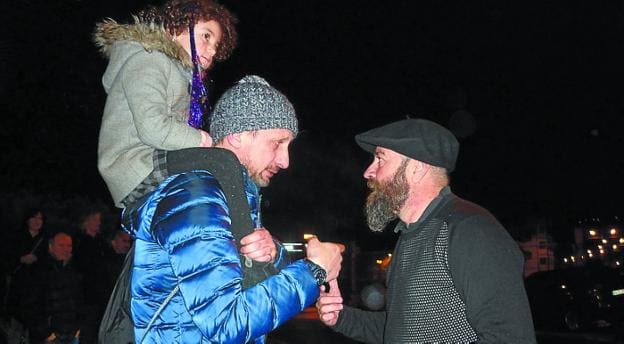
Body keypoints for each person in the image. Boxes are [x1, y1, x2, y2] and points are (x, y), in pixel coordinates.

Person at [123, 75, 344, 343]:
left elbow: (244, 286)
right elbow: (226, 323)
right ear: (238, 135)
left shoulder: (230, 196)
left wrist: (273, 254)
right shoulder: (197, 196)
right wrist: (314, 271)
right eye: (277, 143)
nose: (285, 161)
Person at [316, 118, 536, 343]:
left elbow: (510, 338)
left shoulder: (470, 230)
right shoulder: (412, 235)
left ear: (416, 169)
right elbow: (402, 330)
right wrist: (341, 318)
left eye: (380, 159)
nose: (369, 172)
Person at [93, 0, 238, 208]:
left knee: (215, 180)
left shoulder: (177, 73)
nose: (212, 51)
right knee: (223, 162)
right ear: (175, 28)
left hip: (152, 163)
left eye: (216, 46)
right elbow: (152, 128)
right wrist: (203, 139)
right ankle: (246, 237)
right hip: (137, 166)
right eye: (206, 36)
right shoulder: (149, 60)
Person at [17, 232, 84, 344]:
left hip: (71, 334)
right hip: (50, 335)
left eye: (69, 246)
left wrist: (78, 328)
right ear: (51, 247)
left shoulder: (73, 271)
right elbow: (29, 306)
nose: (66, 249)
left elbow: (79, 301)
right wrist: (46, 333)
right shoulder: (38, 271)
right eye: (61, 245)